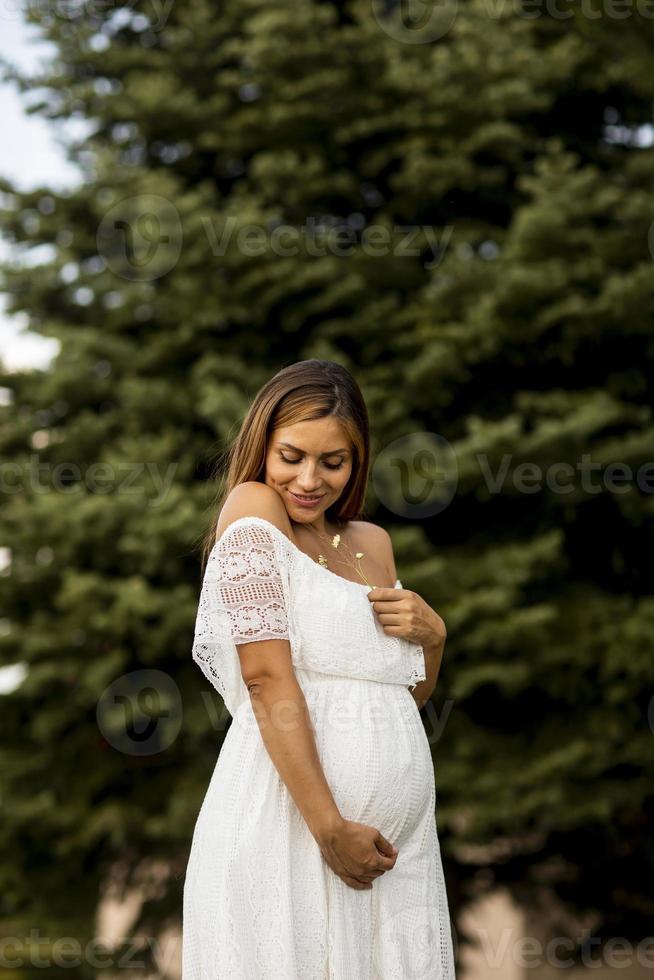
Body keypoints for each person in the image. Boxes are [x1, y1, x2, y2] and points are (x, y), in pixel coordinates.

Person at [182, 359, 456, 979]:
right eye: (291, 456)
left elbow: (403, 697)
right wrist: (329, 827)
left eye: (333, 462)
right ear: (262, 447)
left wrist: (434, 640)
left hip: (397, 856)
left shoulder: (373, 543)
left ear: (357, 461)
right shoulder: (255, 507)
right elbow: (265, 676)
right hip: (296, 828)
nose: (308, 480)